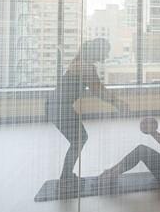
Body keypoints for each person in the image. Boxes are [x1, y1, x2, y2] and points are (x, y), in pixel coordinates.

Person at [47, 38, 129, 184]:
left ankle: (66, 176)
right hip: (58, 107)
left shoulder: (81, 61)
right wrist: (118, 103)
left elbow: (97, 89)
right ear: (97, 51)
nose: (106, 56)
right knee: (79, 139)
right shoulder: (85, 66)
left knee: (79, 139)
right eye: (105, 52)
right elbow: (98, 91)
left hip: (57, 106)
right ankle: (66, 178)